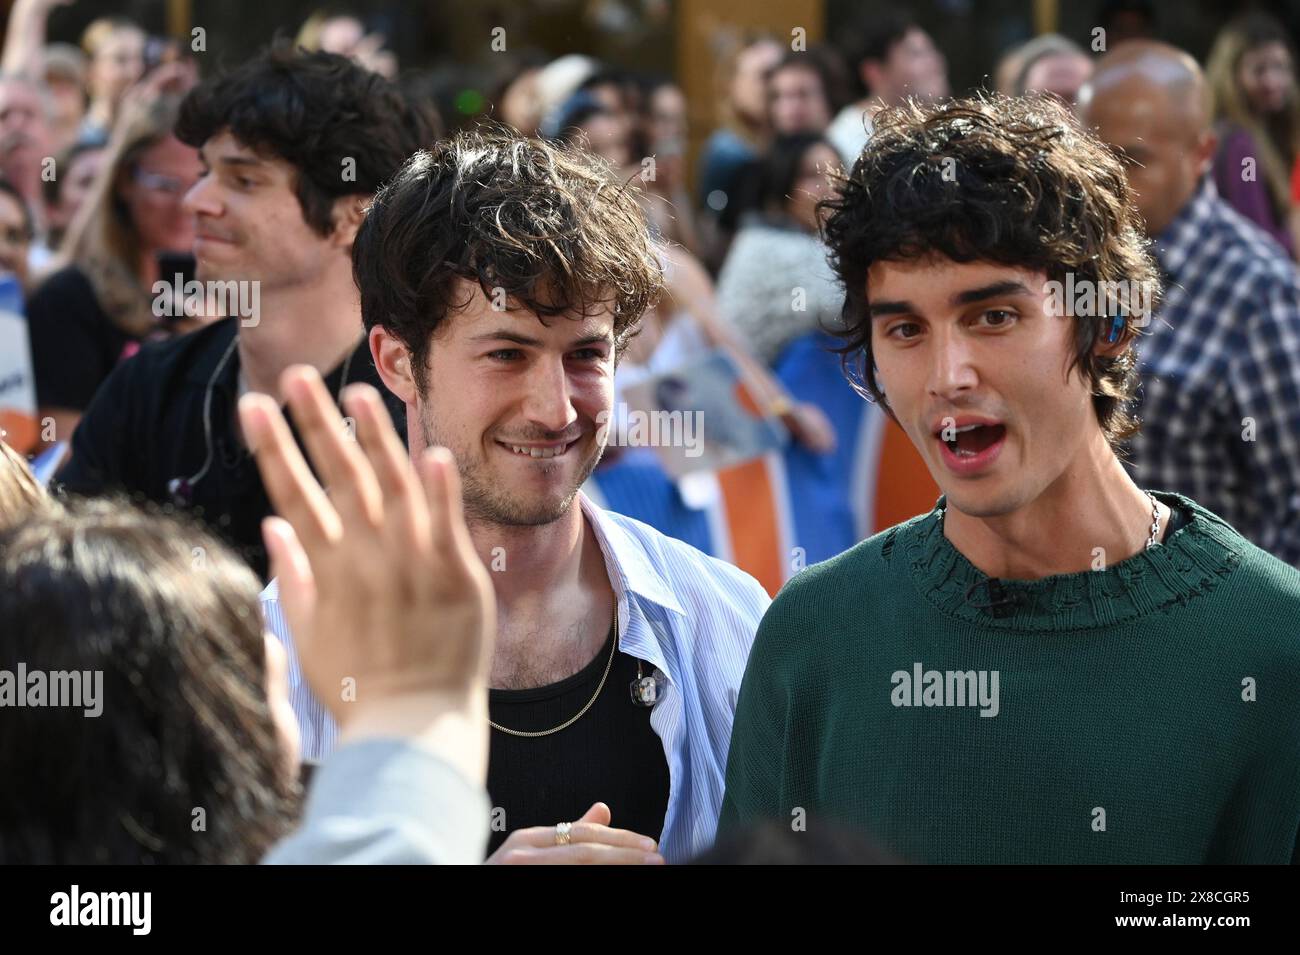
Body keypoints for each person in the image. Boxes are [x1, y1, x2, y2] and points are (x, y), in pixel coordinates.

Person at [719, 92, 1300, 863]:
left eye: (993, 316)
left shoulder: (1272, 645)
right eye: (904, 329)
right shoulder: (812, 638)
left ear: (1110, 322)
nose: (947, 375)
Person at [262, 130, 772, 864]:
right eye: (507, 354)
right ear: (398, 362)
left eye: (586, 354)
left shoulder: (725, 621)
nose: (556, 407)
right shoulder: (283, 646)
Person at [55, 46, 434, 580]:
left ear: (354, 215)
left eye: (244, 180)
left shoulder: (420, 409)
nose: (196, 200)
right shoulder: (148, 390)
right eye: (206, 172)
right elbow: (59, 584)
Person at [1079, 42, 1300, 567]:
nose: (1108, 186)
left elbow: (1294, 505)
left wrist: (1247, 638)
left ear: (1201, 155)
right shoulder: (1073, 261)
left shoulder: (1257, 291)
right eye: (1093, 159)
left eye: (1135, 162)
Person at [26, 94, 200, 445]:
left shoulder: (202, 282)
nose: (187, 203)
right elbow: (60, 455)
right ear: (124, 182)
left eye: (201, 181)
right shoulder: (69, 298)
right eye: (165, 184)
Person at [1206, 13, 1300, 257]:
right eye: (1259, 70)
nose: (1272, 81)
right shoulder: (1240, 144)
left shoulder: (1268, 130)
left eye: (1280, 68)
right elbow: (1256, 232)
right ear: (1231, 76)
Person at [828, 12, 948, 165]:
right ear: (874, 72)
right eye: (916, 54)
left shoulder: (940, 134)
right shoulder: (845, 143)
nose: (936, 63)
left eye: (932, 51)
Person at [78, 16, 145, 142]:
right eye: (120, 59)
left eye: (140, 58)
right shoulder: (77, 140)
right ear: (90, 70)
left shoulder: (155, 139)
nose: (135, 71)